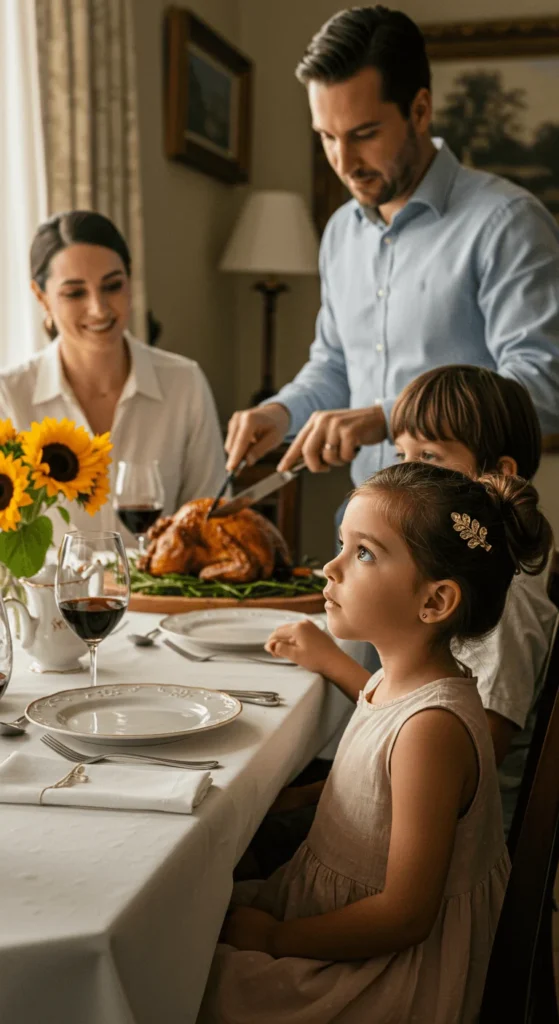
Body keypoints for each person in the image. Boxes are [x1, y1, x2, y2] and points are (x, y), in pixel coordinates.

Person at [199, 461, 552, 1024]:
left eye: (363, 553)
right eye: (343, 545)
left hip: (393, 974)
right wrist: (305, 797)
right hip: (335, 917)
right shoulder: (392, 682)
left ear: (434, 603)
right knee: (188, 919)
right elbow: (377, 788)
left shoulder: (430, 730)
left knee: (187, 978)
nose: (330, 567)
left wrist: (275, 938)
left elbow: (405, 917)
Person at [224, 6, 559, 487]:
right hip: (366, 525)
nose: (344, 161)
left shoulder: (506, 222)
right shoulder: (341, 231)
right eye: (327, 137)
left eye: (364, 134)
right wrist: (281, 412)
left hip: (471, 541)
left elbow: (543, 390)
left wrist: (388, 418)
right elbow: (336, 367)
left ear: (420, 111)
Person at [264, 366, 558, 845]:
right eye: (402, 454)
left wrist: (332, 662)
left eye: (429, 457)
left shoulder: (508, 594)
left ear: (496, 474)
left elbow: (471, 744)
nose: (408, 473)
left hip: (453, 833)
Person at [0, 210, 226, 542]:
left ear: (130, 280)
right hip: (47, 596)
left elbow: (212, 517)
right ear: (41, 297)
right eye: (75, 293)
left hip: (162, 594)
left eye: (113, 286)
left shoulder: (184, 383)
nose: (100, 309)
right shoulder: (10, 396)